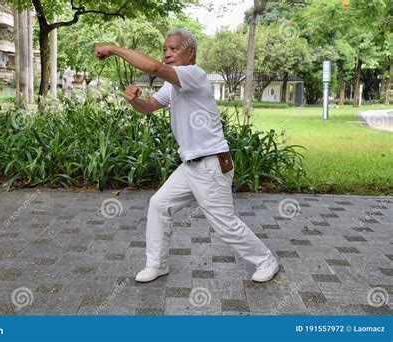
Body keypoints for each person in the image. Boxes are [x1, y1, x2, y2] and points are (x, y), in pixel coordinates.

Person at [95, 28, 279, 283]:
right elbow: (148, 108)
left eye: (174, 49)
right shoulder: (173, 86)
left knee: (224, 223)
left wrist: (113, 49)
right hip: (190, 165)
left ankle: (266, 260)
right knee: (159, 205)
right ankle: (157, 264)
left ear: (190, 53)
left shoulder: (194, 75)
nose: (167, 54)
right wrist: (134, 100)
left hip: (211, 163)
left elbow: (155, 69)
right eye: (164, 49)